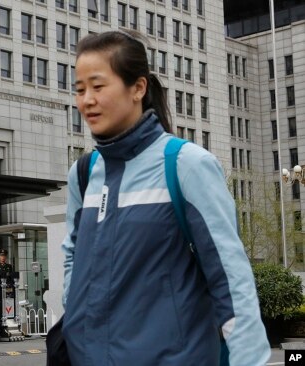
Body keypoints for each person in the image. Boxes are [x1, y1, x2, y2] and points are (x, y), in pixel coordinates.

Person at [60, 30, 270, 365]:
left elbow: (231, 282)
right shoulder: (84, 174)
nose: (86, 100)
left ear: (138, 88)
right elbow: (72, 256)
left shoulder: (186, 165)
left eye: (98, 87)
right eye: (80, 89)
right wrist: (74, 319)